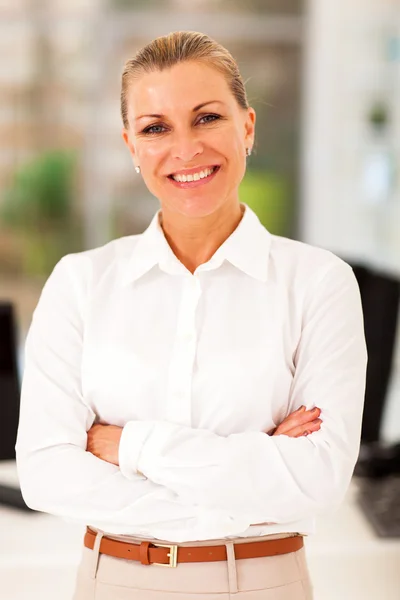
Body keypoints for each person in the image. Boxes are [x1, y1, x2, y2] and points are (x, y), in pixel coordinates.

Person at [15, 31, 367, 600]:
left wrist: (129, 447)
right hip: (113, 582)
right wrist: (249, 484)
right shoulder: (80, 283)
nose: (185, 149)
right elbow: (46, 473)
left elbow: (318, 480)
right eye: (156, 128)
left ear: (247, 127)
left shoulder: (318, 282)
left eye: (206, 118)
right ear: (132, 146)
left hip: (263, 583)